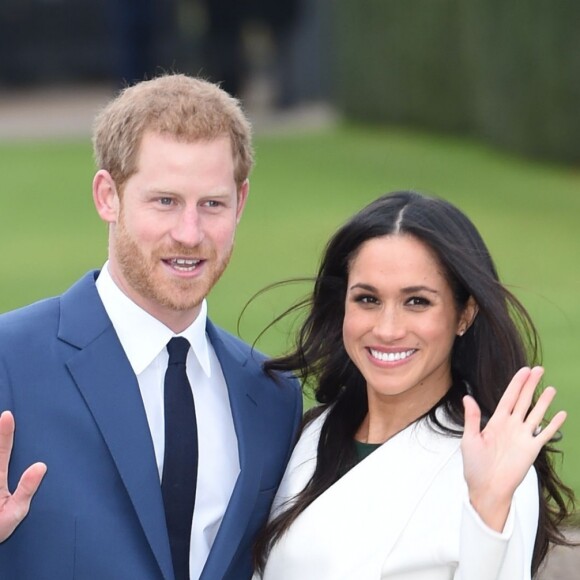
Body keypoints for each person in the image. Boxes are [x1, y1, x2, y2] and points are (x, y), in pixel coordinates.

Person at [0, 73, 302, 580]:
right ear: (107, 196)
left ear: (241, 202)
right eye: (165, 201)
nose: (189, 234)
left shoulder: (271, 397)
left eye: (212, 204)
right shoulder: (9, 360)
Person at [252, 191, 574, 579]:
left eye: (417, 302)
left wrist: (487, 513)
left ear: (464, 314)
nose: (387, 329)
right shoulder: (311, 434)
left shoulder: (493, 462)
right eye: (367, 299)